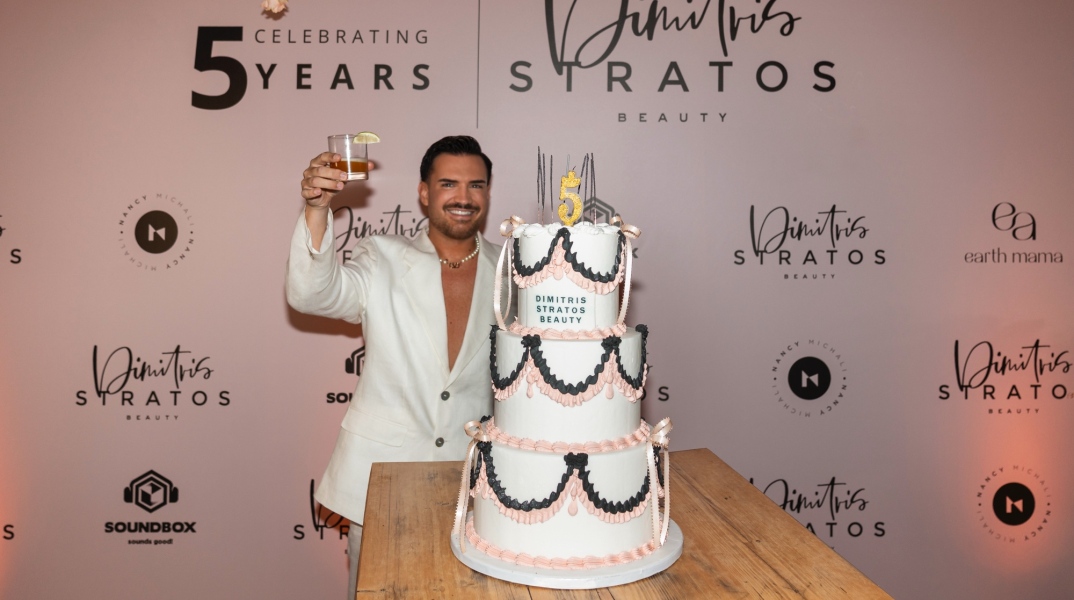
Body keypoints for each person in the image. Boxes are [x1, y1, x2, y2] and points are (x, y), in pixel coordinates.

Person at [286, 136, 500, 599]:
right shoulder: (381, 256)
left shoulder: (511, 270)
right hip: (383, 484)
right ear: (424, 192)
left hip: (475, 488)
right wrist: (318, 209)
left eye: (476, 185)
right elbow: (312, 295)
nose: (463, 197)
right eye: (448, 184)